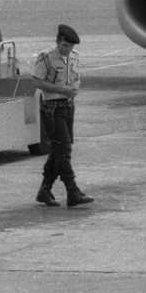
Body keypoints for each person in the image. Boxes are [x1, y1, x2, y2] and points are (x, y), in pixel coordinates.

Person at [30, 24, 93, 208]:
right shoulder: (46, 58)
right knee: (63, 149)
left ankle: (45, 189)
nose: (68, 50)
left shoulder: (74, 58)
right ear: (58, 42)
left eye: (71, 47)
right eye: (65, 46)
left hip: (67, 106)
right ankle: (72, 191)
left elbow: (75, 78)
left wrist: (73, 89)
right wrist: (61, 90)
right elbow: (36, 81)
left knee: (60, 150)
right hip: (52, 107)